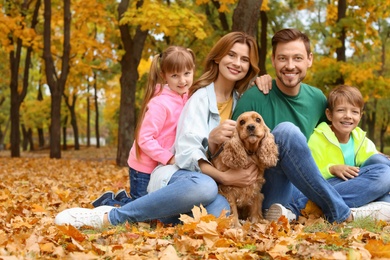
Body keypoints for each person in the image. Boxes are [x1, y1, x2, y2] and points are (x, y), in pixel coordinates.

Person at [54, 31, 260, 229]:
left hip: (196, 178)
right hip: (177, 170)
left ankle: (138, 211)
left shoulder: (239, 102)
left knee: (220, 209)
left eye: (244, 59)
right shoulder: (196, 96)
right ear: (218, 57)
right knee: (206, 186)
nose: (237, 63)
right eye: (231, 55)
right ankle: (113, 216)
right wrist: (221, 167)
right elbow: (186, 152)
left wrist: (265, 81)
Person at [232, 28, 390, 223]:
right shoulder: (254, 98)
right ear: (273, 60)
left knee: (384, 171)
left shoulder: (317, 98)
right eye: (283, 58)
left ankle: (295, 211)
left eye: (297, 58)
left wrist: (345, 163)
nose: (290, 66)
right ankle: (343, 213)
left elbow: (337, 136)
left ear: (309, 59)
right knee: (286, 132)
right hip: (273, 190)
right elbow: (232, 147)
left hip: (310, 187)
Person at [91, 46, 196, 208]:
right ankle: (108, 201)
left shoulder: (187, 97)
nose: (182, 81)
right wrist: (167, 157)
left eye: (187, 74)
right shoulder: (160, 104)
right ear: (164, 76)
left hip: (162, 167)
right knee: (141, 209)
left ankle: (123, 198)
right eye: (175, 75)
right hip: (144, 168)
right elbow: (144, 138)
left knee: (150, 205)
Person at [308, 85, 390, 202]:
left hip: (358, 185)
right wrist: (331, 169)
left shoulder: (359, 138)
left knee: (381, 163)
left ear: (360, 116)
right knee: (386, 179)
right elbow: (308, 176)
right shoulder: (317, 139)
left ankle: (357, 207)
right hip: (331, 187)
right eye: (341, 110)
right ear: (329, 114)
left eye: (354, 111)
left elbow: (377, 162)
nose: (348, 116)